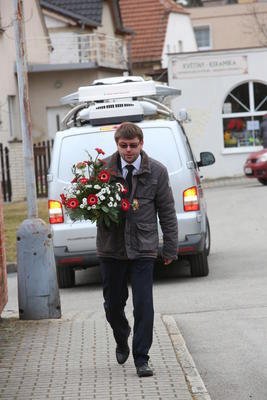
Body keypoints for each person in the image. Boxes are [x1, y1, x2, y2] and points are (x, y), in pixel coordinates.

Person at [97, 122, 178, 378]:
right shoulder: (102, 171)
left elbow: (166, 211)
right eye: (124, 146)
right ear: (117, 145)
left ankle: (142, 358)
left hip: (144, 247)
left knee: (144, 305)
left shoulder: (157, 171)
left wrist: (170, 248)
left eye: (133, 146)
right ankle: (122, 337)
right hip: (111, 247)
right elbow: (91, 206)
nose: (129, 150)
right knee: (112, 305)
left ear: (141, 144)